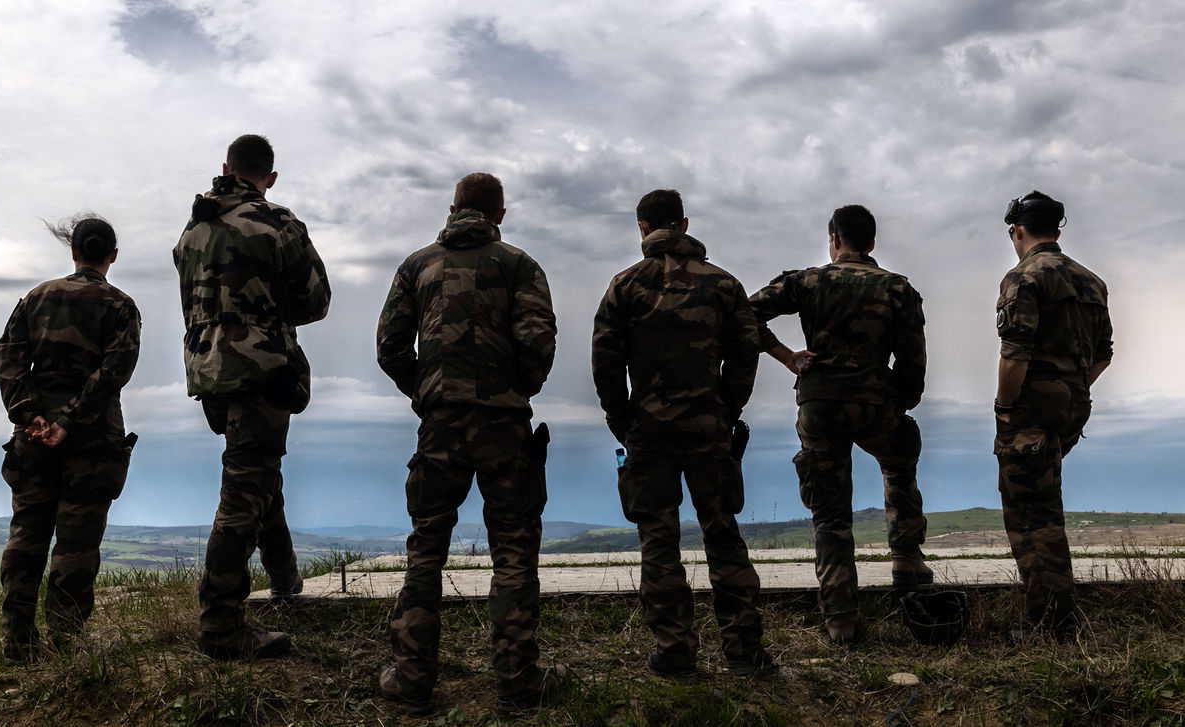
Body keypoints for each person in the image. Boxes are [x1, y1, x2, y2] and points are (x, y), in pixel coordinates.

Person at [376, 173, 559, 715]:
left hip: (440, 428)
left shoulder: (417, 265)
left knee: (426, 549)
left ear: (453, 207)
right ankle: (518, 685)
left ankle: (411, 683)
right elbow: (537, 341)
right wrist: (513, 389)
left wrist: (429, 392)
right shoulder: (520, 265)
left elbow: (390, 347)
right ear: (499, 214)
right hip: (505, 427)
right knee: (514, 552)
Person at [592, 189, 772, 680]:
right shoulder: (724, 285)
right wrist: (725, 410)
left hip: (648, 433)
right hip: (709, 430)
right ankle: (744, 652)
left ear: (643, 228)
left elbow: (605, 364)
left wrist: (624, 422)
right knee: (724, 535)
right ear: (685, 224)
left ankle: (674, 653)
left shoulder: (624, 286)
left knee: (658, 540)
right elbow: (744, 354)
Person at [173, 134, 331, 659]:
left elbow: (192, 307)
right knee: (244, 492)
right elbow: (315, 300)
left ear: (225, 168)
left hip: (210, 374)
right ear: (271, 176)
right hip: (261, 370)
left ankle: (284, 577)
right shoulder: (277, 223)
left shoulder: (190, 232)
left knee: (258, 471)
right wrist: (267, 309)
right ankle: (220, 626)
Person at [748, 204, 930, 644]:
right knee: (900, 456)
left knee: (830, 514)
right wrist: (900, 401)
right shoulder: (898, 289)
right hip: (875, 403)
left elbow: (744, 314)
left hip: (820, 406)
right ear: (871, 243)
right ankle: (906, 561)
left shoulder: (807, 281)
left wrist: (787, 355)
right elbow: (912, 360)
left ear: (834, 240)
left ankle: (841, 619)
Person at [0, 214, 141, 662]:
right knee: (77, 543)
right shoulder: (120, 306)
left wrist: (31, 417)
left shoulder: (35, 299)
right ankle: (67, 645)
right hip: (92, 439)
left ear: (74, 251)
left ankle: (18, 644)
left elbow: (10, 358)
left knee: (26, 535)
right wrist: (70, 419)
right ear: (111, 256)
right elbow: (115, 371)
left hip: (33, 439)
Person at [995, 190, 1111, 640]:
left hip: (1030, 413)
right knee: (1046, 507)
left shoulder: (1024, 277)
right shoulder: (1092, 282)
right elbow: (1103, 355)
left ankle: (1052, 625)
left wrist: (1005, 409)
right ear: (1057, 230)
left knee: (1031, 516)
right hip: (1071, 409)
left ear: (1018, 231)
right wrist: (1071, 388)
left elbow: (1014, 355)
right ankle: (1055, 619)